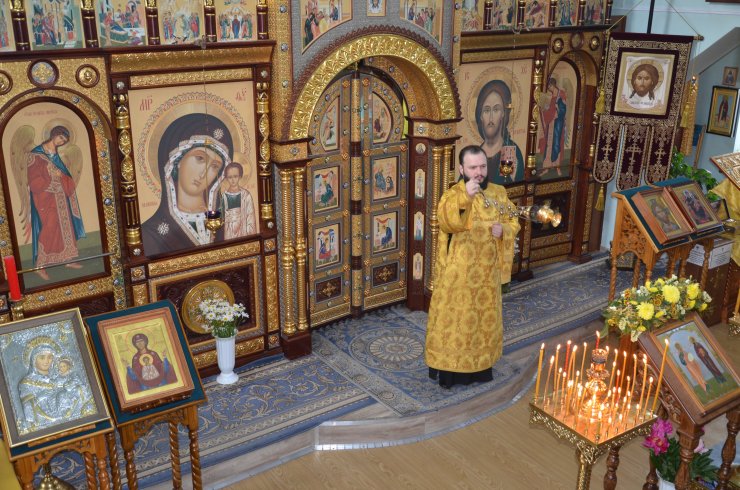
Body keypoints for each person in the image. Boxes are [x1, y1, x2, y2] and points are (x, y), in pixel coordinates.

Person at [425, 145, 520, 388]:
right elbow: (447, 222)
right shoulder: (453, 194)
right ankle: (450, 373)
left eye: (482, 166)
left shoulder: (498, 193)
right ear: (461, 169)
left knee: (481, 325)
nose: (479, 172)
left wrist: (504, 230)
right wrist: (465, 197)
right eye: (473, 167)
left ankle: (480, 369)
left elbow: (513, 219)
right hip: (458, 275)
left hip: (487, 274)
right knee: (455, 325)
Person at [141, 113, 231, 256]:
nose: (203, 173)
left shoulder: (228, 221)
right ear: (177, 160)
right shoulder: (151, 233)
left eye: (215, 166)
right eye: (200, 158)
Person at [27, 125, 85, 281]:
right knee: (50, 227)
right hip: (46, 199)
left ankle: (68, 259)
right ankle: (40, 266)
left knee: (65, 226)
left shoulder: (56, 156)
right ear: (54, 135)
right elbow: (34, 181)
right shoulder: (36, 155)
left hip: (61, 199)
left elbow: (66, 178)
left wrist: (61, 176)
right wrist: (49, 180)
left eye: (64, 141)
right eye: (60, 138)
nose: (61, 142)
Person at [475, 80, 525, 185]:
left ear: (503, 113)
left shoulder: (508, 151)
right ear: (481, 116)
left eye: (496, 110)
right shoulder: (474, 155)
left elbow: (507, 186)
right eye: (486, 110)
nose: (491, 118)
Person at [538, 77, 567, 176]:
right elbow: (548, 109)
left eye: (549, 86)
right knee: (548, 144)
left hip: (558, 123)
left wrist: (558, 109)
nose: (548, 88)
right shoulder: (550, 96)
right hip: (550, 123)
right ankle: (546, 167)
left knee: (557, 144)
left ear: (552, 85)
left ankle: (557, 167)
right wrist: (543, 108)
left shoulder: (561, 94)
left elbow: (563, 110)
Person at [221, 161, 256, 240]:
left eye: (235, 176)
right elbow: (221, 216)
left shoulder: (246, 195)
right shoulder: (224, 196)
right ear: (226, 178)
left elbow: (250, 216)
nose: (233, 180)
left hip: (243, 230)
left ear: (240, 176)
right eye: (230, 177)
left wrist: (250, 235)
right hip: (229, 231)